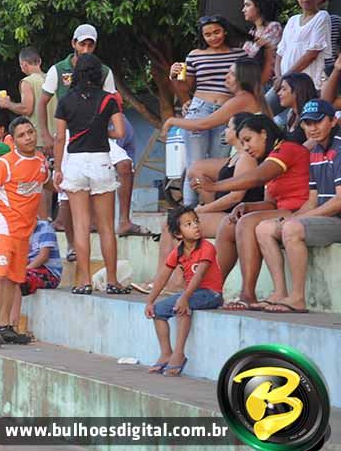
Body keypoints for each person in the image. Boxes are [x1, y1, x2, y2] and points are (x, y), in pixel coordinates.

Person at [192, 115, 309, 309]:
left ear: (263, 134)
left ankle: (247, 294)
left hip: (300, 212)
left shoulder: (286, 149)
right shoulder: (270, 156)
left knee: (246, 222)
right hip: (282, 211)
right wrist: (249, 206)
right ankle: (212, 289)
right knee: (229, 223)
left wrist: (215, 186)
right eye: (243, 143)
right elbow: (270, 203)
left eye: (248, 140)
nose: (246, 147)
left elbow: (257, 178)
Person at [142, 113, 262, 291]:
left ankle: (178, 281)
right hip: (224, 213)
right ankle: (162, 279)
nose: (225, 131)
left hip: (234, 215)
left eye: (229, 127)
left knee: (179, 225)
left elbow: (236, 197)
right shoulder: (236, 157)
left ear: (238, 131)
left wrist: (204, 209)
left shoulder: (247, 158)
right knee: (170, 225)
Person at [255, 100, 341, 313]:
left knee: (292, 228)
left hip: (337, 219)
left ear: (333, 121)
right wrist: (293, 217)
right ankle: (280, 293)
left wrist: (297, 220)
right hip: (326, 218)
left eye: (318, 121)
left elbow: (339, 201)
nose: (312, 128)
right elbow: (312, 200)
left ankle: (297, 298)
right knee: (264, 228)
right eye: (308, 123)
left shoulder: (339, 148)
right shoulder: (315, 151)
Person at [0, 117, 49, 348]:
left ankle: (6, 327)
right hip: (2, 224)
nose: (28, 138)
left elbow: (45, 184)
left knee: (14, 279)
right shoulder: (5, 163)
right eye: (22, 135)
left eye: (30, 132)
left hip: (24, 229)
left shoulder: (41, 160)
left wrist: (62, 181)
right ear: (13, 141)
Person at [53, 53, 125, 295]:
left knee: (81, 226)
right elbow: (120, 132)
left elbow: (60, 138)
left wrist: (57, 169)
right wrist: (103, 131)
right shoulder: (109, 99)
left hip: (75, 163)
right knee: (106, 227)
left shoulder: (65, 101)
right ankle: (112, 281)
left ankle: (84, 281)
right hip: (101, 161)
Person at [170, 15, 247, 206]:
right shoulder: (195, 55)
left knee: (218, 164)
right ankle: (189, 209)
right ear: (202, 36)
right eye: (208, 34)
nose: (213, 37)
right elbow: (185, 87)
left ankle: (213, 209)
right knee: (194, 164)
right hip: (200, 109)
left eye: (216, 32)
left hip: (228, 112)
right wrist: (174, 77)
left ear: (225, 31)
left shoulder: (240, 54)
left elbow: (249, 81)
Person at [144, 206, 224, 377]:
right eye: (188, 224)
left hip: (211, 293)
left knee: (182, 307)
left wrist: (184, 297)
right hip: (192, 293)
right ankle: (166, 353)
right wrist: (150, 301)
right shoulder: (178, 252)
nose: (195, 226)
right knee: (157, 311)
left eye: (196, 221)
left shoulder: (207, 247)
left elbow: (199, 275)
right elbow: (163, 276)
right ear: (178, 234)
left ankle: (179, 354)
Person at [163, 58, 271, 136]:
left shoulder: (242, 99)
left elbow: (203, 124)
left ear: (243, 79)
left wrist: (171, 121)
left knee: (197, 163)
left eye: (232, 74)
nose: (226, 77)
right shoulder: (248, 98)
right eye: (228, 72)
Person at [275, 0, 331, 92]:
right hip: (284, 84)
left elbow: (312, 54)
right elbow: (280, 52)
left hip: (306, 85)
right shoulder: (292, 20)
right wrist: (279, 77)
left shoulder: (322, 17)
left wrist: (285, 77)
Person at [0, 47, 57, 154]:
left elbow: (26, 109)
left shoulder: (27, 82)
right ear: (39, 61)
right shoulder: (52, 78)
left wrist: (7, 104)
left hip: (39, 140)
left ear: (24, 65)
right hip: (57, 137)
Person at [241, 0, 283, 85]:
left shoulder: (274, 28)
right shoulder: (253, 31)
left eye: (247, 5)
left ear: (259, 6)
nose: (243, 10)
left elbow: (255, 56)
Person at [21, 218, 63, 296]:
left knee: (19, 279)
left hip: (49, 272)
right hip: (29, 269)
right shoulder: (19, 230)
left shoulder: (45, 228)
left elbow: (43, 256)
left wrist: (25, 270)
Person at [276, 72, 317, 144]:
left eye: (284, 89)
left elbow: (313, 142)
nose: (279, 93)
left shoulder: (310, 117)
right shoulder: (291, 115)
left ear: (297, 91)